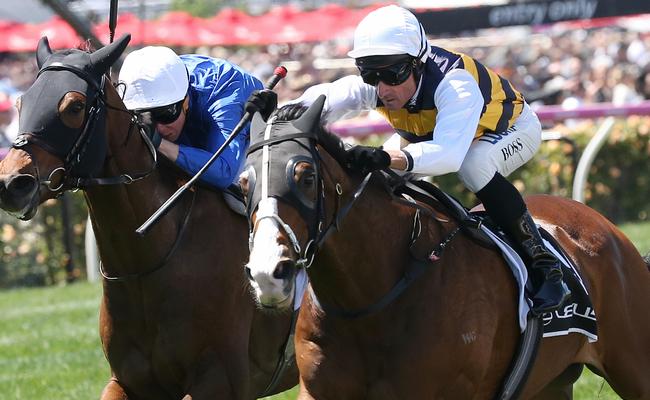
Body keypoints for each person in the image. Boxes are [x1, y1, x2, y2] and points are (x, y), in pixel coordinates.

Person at [257, 5, 570, 315]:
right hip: (433, 133)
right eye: (370, 73)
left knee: (474, 166)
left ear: (418, 64)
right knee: (370, 184)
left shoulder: (455, 84)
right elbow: (322, 100)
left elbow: (449, 155)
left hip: (510, 128)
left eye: (392, 74)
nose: (382, 88)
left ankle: (543, 263)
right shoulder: (380, 84)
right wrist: (276, 110)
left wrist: (386, 156)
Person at [118, 46, 276, 189]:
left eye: (165, 114)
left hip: (234, 155)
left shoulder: (227, 96)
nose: (158, 128)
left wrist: (159, 144)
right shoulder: (162, 80)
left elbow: (223, 172)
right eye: (146, 117)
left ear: (185, 102)